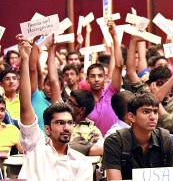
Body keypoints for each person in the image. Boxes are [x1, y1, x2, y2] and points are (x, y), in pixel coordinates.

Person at [17, 36, 93, 180]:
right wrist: (25, 59)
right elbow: (25, 102)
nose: (66, 127)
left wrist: (51, 51)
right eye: (60, 123)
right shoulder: (35, 145)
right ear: (47, 129)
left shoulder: (81, 163)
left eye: (69, 123)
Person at [102, 91, 173, 180]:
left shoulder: (164, 138)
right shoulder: (114, 142)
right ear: (131, 117)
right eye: (146, 111)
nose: (153, 117)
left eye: (155, 112)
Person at [86, 20, 123, 136]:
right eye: (92, 76)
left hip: (114, 143)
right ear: (87, 79)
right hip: (91, 146)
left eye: (100, 76)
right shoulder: (82, 100)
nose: (96, 79)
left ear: (105, 77)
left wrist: (114, 36)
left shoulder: (110, 93)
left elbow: (119, 65)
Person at [67, 89, 102, 156]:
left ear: (82, 110)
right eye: (67, 100)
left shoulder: (92, 131)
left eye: (70, 103)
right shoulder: (59, 122)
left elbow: (97, 152)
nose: (66, 104)